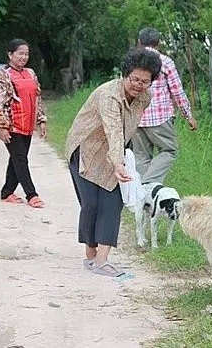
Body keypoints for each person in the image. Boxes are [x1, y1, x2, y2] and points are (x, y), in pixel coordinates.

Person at [65, 48, 162, 277]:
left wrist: (121, 161)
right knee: (91, 205)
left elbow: (127, 128)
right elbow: (113, 128)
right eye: (134, 79)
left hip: (114, 152)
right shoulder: (109, 95)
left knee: (112, 202)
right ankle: (90, 257)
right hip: (86, 149)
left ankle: (102, 261)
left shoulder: (145, 97)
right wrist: (118, 163)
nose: (138, 85)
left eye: (145, 81)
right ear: (125, 74)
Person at [132, 27, 198, 184]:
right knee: (169, 150)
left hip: (136, 117)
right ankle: (147, 184)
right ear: (159, 43)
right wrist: (188, 115)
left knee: (141, 156)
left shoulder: (133, 62)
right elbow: (177, 91)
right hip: (159, 117)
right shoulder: (166, 62)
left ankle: (143, 198)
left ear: (139, 42)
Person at [0, 38, 47, 208]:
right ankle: (31, 194)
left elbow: (37, 98)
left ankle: (7, 191)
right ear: (10, 54)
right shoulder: (4, 75)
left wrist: (41, 120)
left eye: (26, 54)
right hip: (12, 125)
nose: (24, 57)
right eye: (20, 53)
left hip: (28, 125)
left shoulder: (30, 73)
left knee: (16, 159)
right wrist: (2, 126)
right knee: (20, 159)